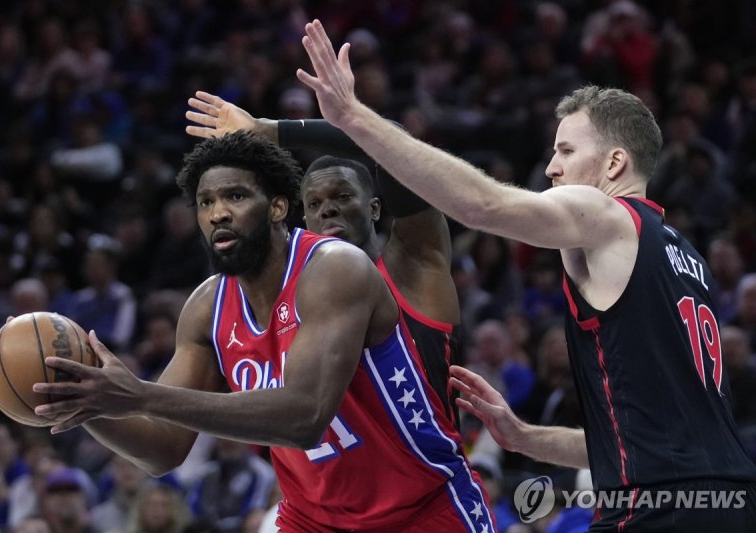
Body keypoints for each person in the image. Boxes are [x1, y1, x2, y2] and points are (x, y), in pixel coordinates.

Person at [295, 19, 756, 531]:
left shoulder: (607, 216)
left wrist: (353, 119)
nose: (553, 169)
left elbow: (481, 205)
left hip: (659, 510)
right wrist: (524, 437)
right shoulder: (687, 260)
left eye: (566, 151)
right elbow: (650, 441)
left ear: (615, 163)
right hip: (729, 503)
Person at [5, 131, 492, 531]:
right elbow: (164, 450)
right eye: (205, 201)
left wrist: (139, 395)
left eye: (235, 196)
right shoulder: (206, 308)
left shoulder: (334, 269)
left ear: (278, 207)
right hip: (313, 520)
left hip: (422, 509)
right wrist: (86, 399)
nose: (218, 212)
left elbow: (304, 418)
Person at [185, 91, 462, 427]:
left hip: (430, 472)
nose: (327, 208)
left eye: (342, 196)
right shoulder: (296, 294)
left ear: (374, 208)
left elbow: (395, 142)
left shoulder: (414, 261)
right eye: (313, 204)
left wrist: (273, 132)